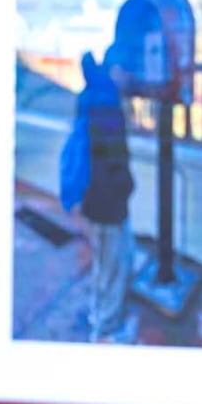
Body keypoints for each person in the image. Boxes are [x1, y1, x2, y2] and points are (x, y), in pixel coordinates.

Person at [60, 49, 137, 343]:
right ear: (116, 69)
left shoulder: (90, 93)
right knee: (113, 265)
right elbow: (112, 158)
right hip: (107, 202)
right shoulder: (107, 102)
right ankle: (107, 328)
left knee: (104, 261)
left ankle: (98, 313)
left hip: (94, 199)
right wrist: (125, 186)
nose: (129, 79)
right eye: (126, 72)